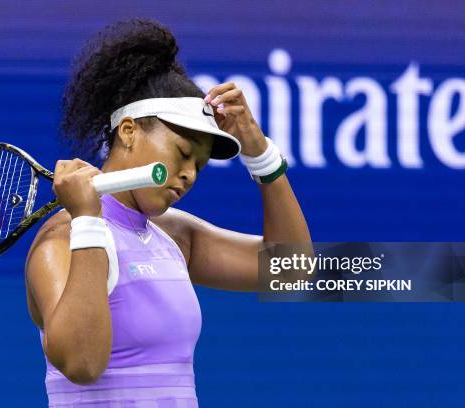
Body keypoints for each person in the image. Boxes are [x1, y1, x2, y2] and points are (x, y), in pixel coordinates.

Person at [24, 18, 312, 407]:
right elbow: (82, 362)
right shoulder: (60, 241)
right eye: (182, 154)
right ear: (129, 131)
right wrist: (89, 222)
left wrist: (261, 155)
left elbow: (291, 271)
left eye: (200, 165)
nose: (189, 174)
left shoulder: (173, 235)